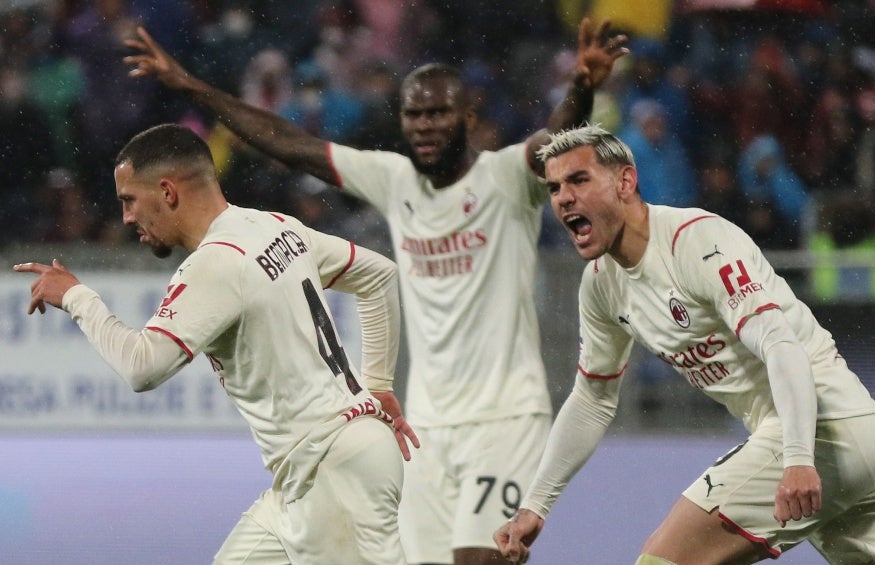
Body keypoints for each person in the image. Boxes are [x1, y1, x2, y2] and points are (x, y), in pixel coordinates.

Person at [122, 19, 629, 565]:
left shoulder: (503, 178)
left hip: (505, 417)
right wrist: (191, 86)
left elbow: (550, 144)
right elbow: (293, 145)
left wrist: (581, 84)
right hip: (427, 425)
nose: (425, 125)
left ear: (469, 117)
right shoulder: (394, 180)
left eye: (438, 112)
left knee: (477, 560)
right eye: (414, 114)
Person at [494, 125, 875, 565]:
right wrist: (536, 504)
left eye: (578, 179)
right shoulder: (600, 286)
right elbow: (593, 399)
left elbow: (779, 342)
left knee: (662, 562)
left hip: (820, 431)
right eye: (554, 188)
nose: (564, 198)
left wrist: (797, 458)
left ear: (626, 181)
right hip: (863, 437)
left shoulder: (696, 240)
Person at [14, 124, 417, 565]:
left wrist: (77, 297)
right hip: (314, 472)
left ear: (167, 192)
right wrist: (377, 385)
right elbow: (380, 274)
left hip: (333, 470)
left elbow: (142, 366)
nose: (127, 218)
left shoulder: (216, 263)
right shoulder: (273, 225)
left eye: (129, 200)